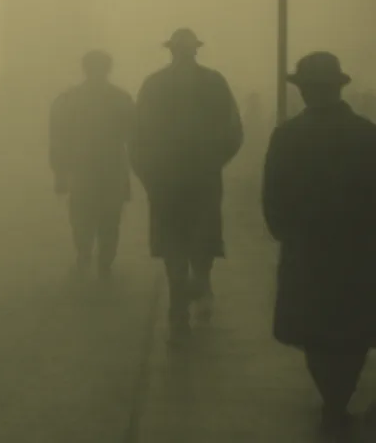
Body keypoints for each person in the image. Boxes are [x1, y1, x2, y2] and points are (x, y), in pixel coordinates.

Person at [263, 52, 376, 438]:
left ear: (305, 91)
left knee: (315, 331)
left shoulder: (287, 135)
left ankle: (333, 398)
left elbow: (272, 196)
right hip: (360, 250)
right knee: (355, 330)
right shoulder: (367, 133)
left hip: (307, 250)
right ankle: (339, 398)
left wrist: (285, 232)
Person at [129, 28, 243, 345]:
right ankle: (201, 286)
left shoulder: (154, 85)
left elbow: (136, 138)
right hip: (203, 176)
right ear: (195, 50)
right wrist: (215, 160)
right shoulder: (214, 82)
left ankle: (178, 304)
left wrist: (148, 174)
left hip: (165, 178)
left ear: (171, 51)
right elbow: (234, 130)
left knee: (172, 239)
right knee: (202, 235)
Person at [49, 50, 134, 279]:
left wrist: (60, 174)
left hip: (82, 168)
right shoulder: (121, 98)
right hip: (112, 168)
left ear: (84, 69)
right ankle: (105, 262)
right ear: (109, 69)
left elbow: (58, 139)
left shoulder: (69, 99)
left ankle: (84, 254)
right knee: (110, 217)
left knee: (81, 216)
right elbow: (133, 137)